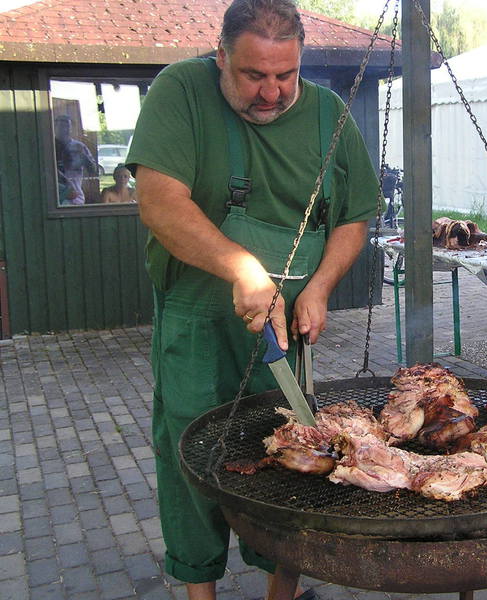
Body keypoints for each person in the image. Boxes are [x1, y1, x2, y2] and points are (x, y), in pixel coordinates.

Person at [125, 1, 379, 599]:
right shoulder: (181, 92)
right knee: (192, 452)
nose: (271, 92)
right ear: (221, 57)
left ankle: (277, 592)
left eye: (286, 75)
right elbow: (159, 201)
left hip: (286, 327)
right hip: (198, 317)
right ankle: (200, 589)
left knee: (291, 452)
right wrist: (242, 267)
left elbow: (353, 218)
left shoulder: (330, 114)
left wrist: (319, 287)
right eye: (253, 75)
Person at [54, 114, 97, 205]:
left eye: (67, 126)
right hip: (55, 200)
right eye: (61, 126)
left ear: (71, 129)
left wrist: (83, 157)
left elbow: (93, 171)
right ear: (55, 128)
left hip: (76, 199)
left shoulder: (79, 147)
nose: (65, 130)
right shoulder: (49, 148)